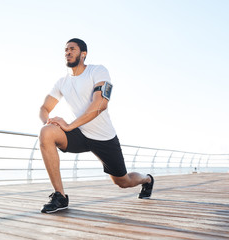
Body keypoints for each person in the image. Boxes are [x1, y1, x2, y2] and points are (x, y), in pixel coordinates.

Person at [39, 38, 154, 214]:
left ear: (83, 54)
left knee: (123, 182)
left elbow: (100, 104)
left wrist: (69, 126)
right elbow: (44, 108)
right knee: (46, 132)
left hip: (103, 137)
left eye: (72, 49)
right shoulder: (62, 82)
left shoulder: (98, 71)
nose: (67, 52)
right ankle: (60, 196)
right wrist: (49, 120)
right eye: (65, 50)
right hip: (80, 134)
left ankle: (146, 180)